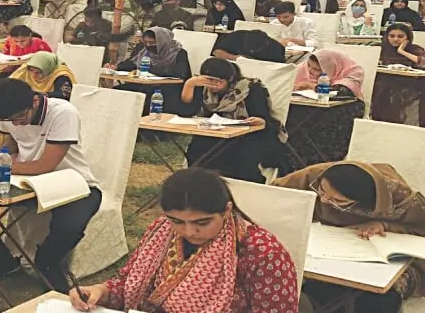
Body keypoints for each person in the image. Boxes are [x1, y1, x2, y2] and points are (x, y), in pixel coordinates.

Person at [69, 168, 299, 312]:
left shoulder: (261, 251)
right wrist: (101, 290)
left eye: (202, 223)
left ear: (226, 210)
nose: (189, 232)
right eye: (177, 221)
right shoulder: (161, 231)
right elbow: (128, 283)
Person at [0, 78, 101, 292]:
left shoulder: (62, 113)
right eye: (9, 120)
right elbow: (12, 141)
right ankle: (3, 260)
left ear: (35, 101)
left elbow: (44, 165)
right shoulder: (10, 112)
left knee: (69, 225)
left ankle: (47, 262)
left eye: (20, 117)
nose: (16, 123)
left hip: (74, 184)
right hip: (26, 183)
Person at [274, 161, 424, 312]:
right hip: (323, 246)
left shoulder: (397, 198)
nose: (324, 200)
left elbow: (420, 227)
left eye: (337, 201)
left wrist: (383, 225)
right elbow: (271, 195)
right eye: (321, 190)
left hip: (382, 258)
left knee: (380, 300)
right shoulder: (314, 175)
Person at [178, 58, 288, 183]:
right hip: (218, 133)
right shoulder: (204, 88)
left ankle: (248, 187)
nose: (213, 86)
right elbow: (186, 112)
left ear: (230, 80)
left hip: (252, 135)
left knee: (242, 155)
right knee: (197, 147)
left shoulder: (251, 89)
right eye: (209, 81)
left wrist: (259, 121)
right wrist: (189, 85)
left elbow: (264, 120)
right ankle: (201, 184)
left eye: (218, 82)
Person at [288, 51, 366, 169]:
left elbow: (341, 90)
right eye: (309, 66)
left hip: (342, 111)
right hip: (309, 107)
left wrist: (311, 86)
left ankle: (317, 163)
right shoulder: (303, 68)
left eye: (317, 69)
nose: (310, 71)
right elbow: (288, 82)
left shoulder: (353, 71)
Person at [111, 27, 192, 115]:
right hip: (144, 85)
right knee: (116, 92)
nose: (148, 45)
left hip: (167, 89)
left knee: (146, 101)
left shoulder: (179, 53)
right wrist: (116, 67)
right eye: (146, 42)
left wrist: (153, 71)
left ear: (162, 42)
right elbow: (132, 64)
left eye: (152, 43)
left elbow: (182, 74)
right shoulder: (143, 51)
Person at [372, 23, 425, 127]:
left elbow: (422, 63)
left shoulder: (414, 49)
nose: (395, 39)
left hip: (410, 84)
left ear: (407, 38)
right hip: (384, 83)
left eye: (400, 36)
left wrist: (401, 51)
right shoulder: (380, 49)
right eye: (392, 36)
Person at [10, 52, 77, 101]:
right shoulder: (26, 69)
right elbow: (9, 84)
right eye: (31, 71)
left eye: (39, 72)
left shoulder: (60, 75)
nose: (33, 75)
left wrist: (34, 95)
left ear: (48, 69)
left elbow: (64, 95)